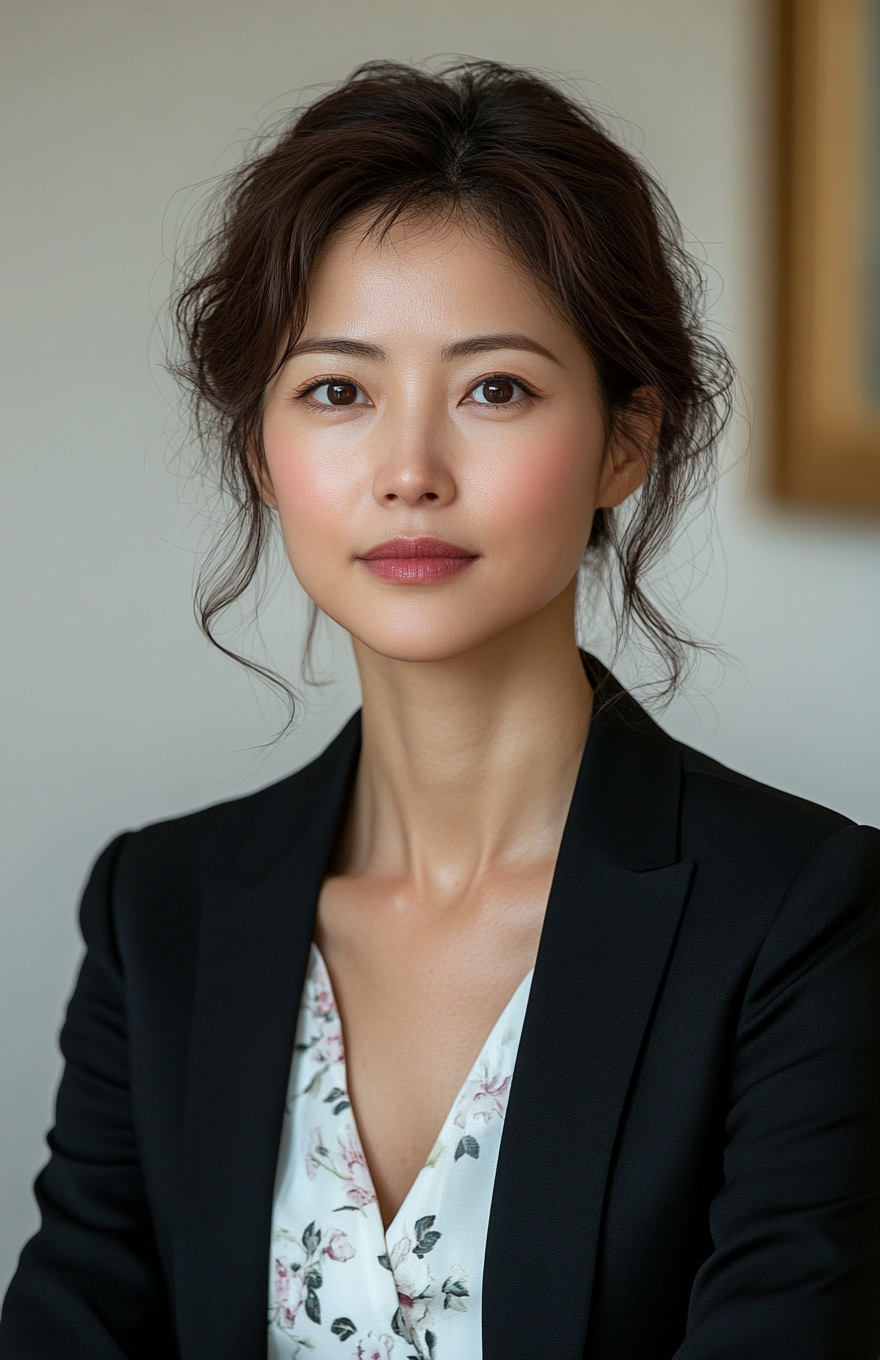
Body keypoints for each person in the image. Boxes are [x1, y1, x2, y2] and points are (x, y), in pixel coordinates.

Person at [1, 59, 877, 1360]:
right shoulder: (158, 911)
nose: (410, 472)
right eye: (339, 391)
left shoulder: (806, 917)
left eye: (496, 388)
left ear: (625, 441)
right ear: (263, 449)